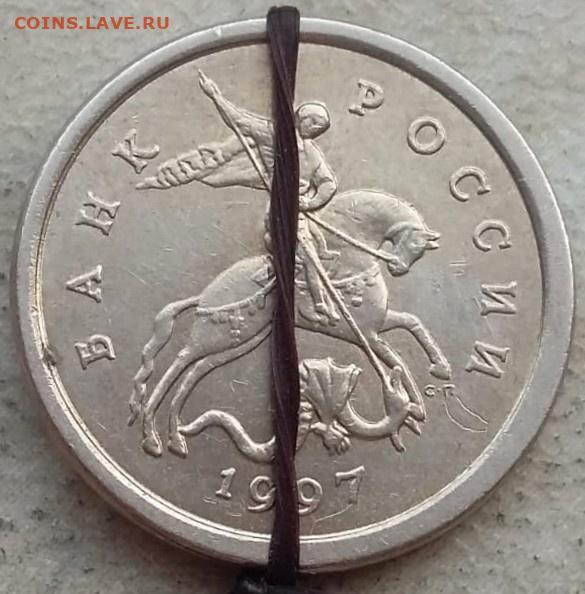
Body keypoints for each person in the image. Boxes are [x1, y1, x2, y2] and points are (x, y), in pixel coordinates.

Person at [198, 70, 340, 324]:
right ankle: (316, 303)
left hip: (303, 213)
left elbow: (328, 183)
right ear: (303, 118)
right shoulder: (271, 133)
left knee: (317, 250)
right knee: (309, 255)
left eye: (321, 130)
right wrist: (215, 96)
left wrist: (310, 203)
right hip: (280, 211)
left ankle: (293, 287)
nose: (317, 132)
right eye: (316, 126)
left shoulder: (310, 150)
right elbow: (238, 120)